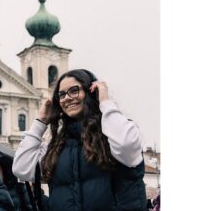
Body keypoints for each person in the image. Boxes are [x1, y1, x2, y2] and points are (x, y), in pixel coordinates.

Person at [12, 69, 146, 210]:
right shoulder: (57, 144)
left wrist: (105, 102)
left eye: (74, 90)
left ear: (91, 93)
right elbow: (22, 168)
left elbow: (126, 144)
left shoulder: (116, 132)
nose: (67, 98)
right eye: (61, 94)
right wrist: (40, 122)